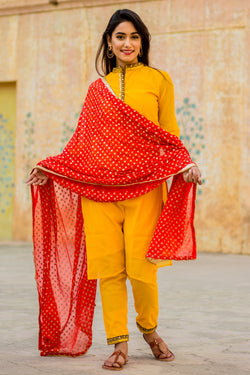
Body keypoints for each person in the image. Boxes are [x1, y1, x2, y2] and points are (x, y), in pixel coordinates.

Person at [26, 9, 202, 371]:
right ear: (109, 42)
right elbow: (81, 146)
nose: (128, 43)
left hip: (144, 189)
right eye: (120, 36)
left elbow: (169, 136)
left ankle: (149, 330)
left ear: (142, 42)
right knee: (109, 270)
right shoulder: (97, 90)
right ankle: (119, 343)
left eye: (135, 36)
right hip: (98, 192)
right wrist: (52, 168)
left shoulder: (158, 80)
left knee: (142, 269)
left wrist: (185, 162)